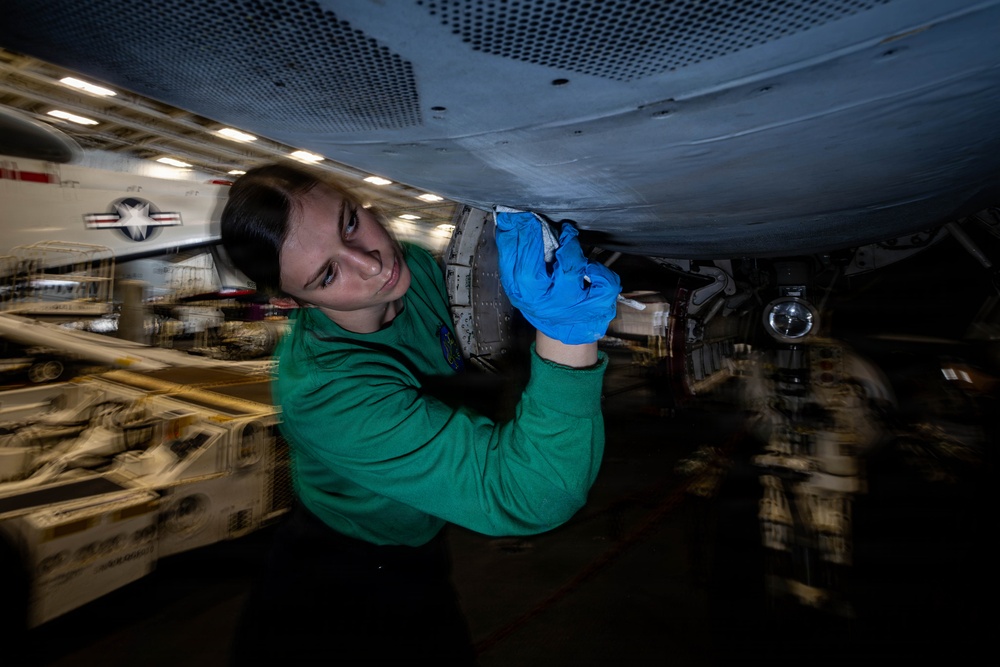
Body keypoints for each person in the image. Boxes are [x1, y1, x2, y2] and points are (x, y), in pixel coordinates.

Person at [221, 163, 620, 665]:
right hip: (336, 583)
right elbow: (531, 493)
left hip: (419, 548)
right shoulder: (327, 394)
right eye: (327, 273)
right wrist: (570, 330)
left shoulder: (413, 269)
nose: (370, 262)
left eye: (349, 223)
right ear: (292, 301)